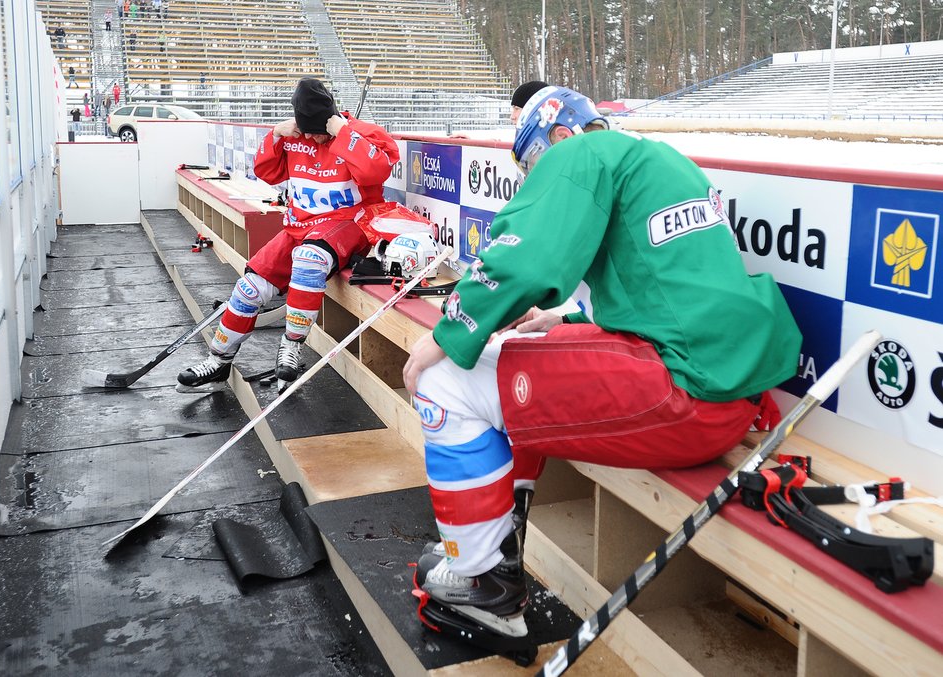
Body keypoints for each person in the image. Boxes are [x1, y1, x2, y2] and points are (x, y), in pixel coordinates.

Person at [402, 86, 802, 639]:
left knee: (446, 378)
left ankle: (481, 581)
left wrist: (444, 335)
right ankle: (493, 554)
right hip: (727, 393)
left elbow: (526, 257)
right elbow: (666, 295)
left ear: (560, 136)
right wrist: (564, 322)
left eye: (532, 165)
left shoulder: (578, 153)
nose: (531, 180)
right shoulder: (660, 159)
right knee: (511, 365)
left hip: (681, 392)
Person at [178, 78, 400, 392]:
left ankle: (292, 345)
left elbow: (376, 171)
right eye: (304, 128)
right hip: (297, 226)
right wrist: (275, 135)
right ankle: (219, 359)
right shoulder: (295, 136)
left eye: (315, 129)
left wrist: (343, 133)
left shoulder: (362, 134)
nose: (310, 136)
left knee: (309, 260)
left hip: (347, 225)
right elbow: (267, 172)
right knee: (249, 289)